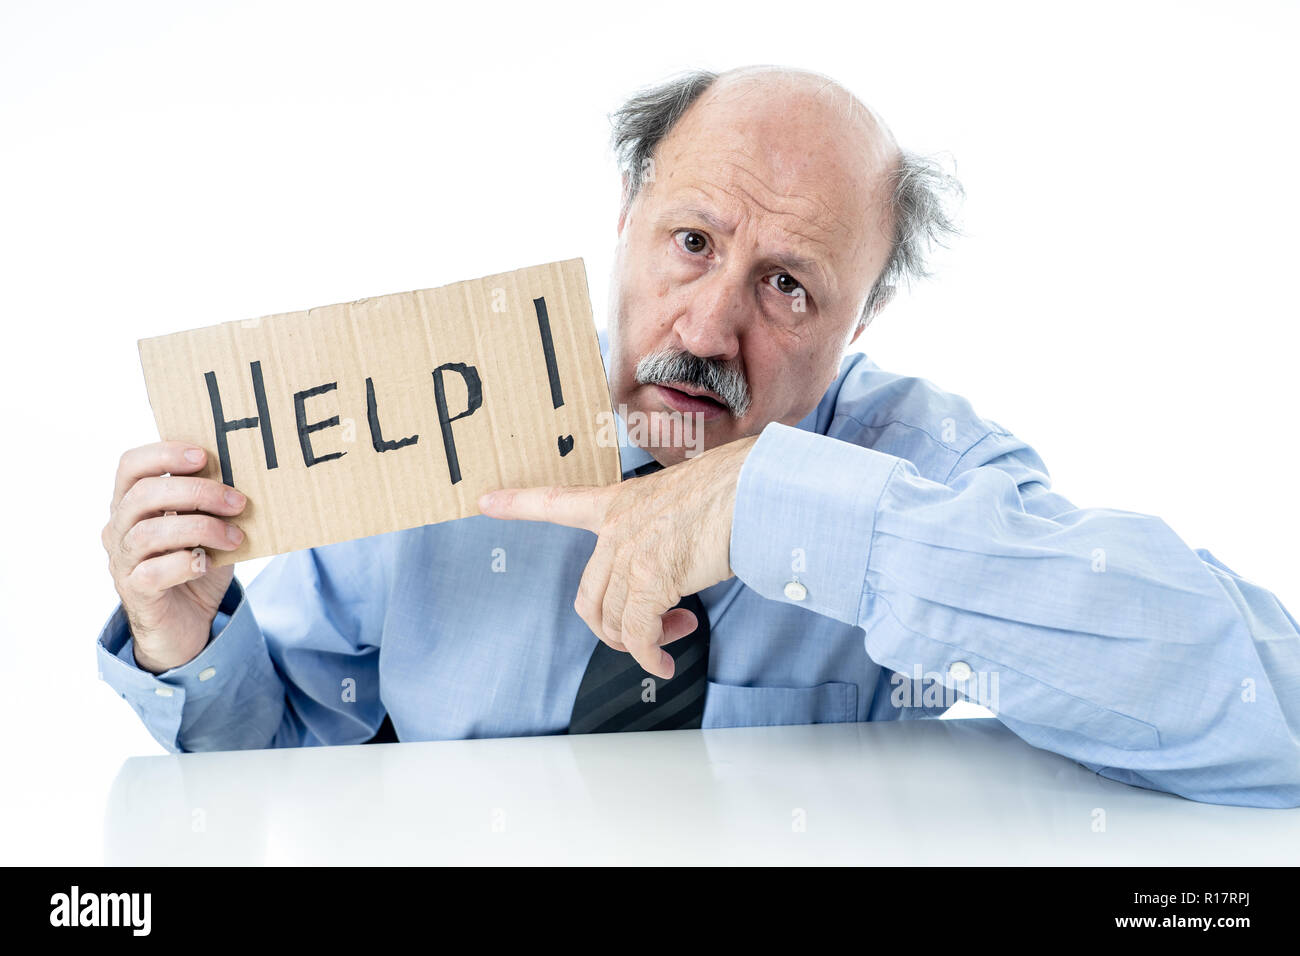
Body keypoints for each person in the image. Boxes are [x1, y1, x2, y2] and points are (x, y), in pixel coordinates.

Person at [97, 66, 1300, 808]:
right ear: (624, 219)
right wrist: (184, 634)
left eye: (787, 286)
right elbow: (267, 762)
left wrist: (782, 514)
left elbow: (1263, 714)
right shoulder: (439, 417)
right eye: (690, 241)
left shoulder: (917, 464)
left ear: (861, 317)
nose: (712, 321)